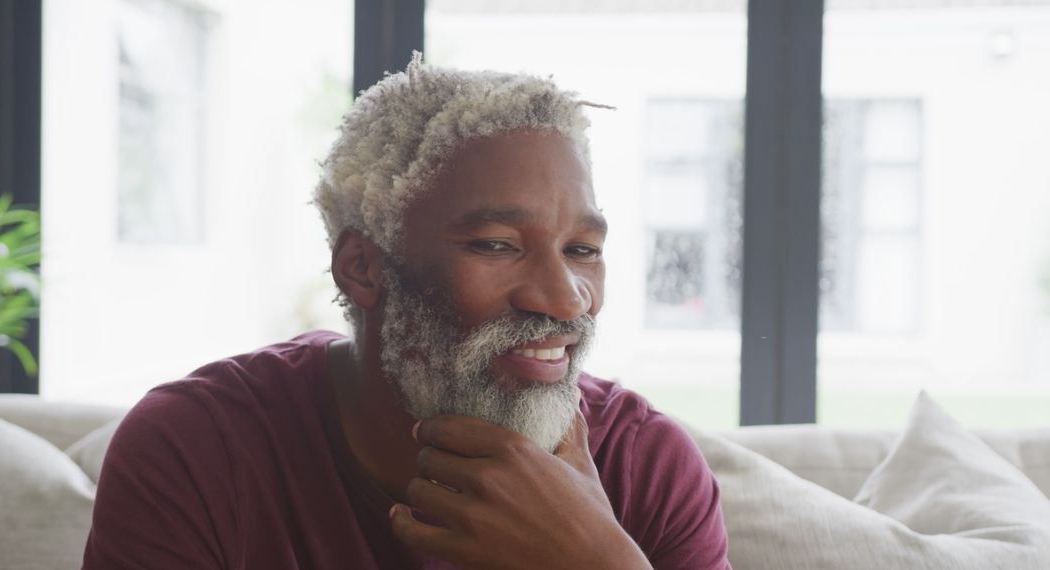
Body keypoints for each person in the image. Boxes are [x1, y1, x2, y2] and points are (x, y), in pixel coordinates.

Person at [83, 54, 730, 569]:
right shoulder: (199, 453)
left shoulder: (645, 466)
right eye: (499, 245)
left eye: (582, 249)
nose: (565, 299)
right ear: (363, 267)